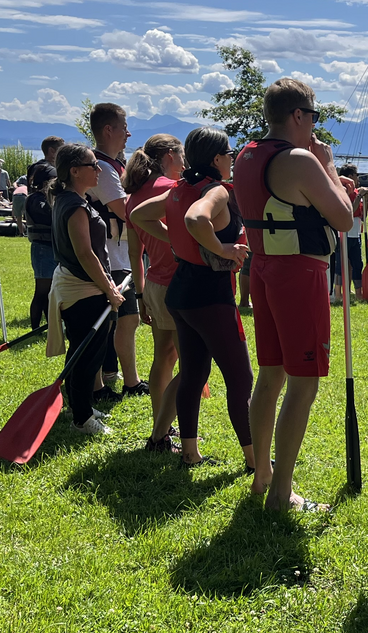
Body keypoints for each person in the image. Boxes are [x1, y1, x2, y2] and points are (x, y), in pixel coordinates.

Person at [235, 78, 354, 511]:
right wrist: (329, 166)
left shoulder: (245, 156)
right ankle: (282, 493)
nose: (315, 130)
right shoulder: (301, 159)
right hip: (298, 274)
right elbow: (343, 218)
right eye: (313, 118)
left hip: (264, 269)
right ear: (298, 116)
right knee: (303, 384)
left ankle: (263, 473)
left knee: (269, 376)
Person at [133, 128, 255, 469]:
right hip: (210, 296)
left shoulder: (180, 187)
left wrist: (176, 241)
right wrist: (221, 247)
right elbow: (195, 218)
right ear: (217, 159)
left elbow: (139, 214)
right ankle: (254, 459)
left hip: (182, 292)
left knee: (193, 373)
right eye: (230, 153)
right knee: (240, 379)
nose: (233, 158)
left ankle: (190, 451)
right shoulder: (215, 190)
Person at [45, 143, 125, 434]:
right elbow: (85, 253)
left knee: (83, 354)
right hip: (83, 289)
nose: (99, 169)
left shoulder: (71, 199)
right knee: (86, 357)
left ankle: (81, 406)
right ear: (75, 171)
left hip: (80, 286)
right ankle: (81, 418)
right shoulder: (75, 205)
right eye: (93, 165)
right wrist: (110, 289)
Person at [123, 133, 185, 452]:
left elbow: (136, 254)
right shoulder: (171, 190)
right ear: (169, 156)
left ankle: (162, 428)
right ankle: (169, 433)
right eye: (182, 156)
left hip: (155, 286)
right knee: (188, 363)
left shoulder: (133, 196)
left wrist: (140, 294)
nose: (185, 163)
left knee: (164, 359)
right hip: (180, 283)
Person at [86, 102, 147, 398]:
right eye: (124, 127)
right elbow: (125, 210)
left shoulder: (114, 165)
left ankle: (129, 380)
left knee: (127, 319)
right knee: (107, 322)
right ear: (108, 130)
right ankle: (97, 384)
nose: (128, 133)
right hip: (107, 255)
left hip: (121, 253)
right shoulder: (103, 169)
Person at [25, 136, 63, 330]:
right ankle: (36, 328)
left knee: (48, 290)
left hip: (49, 245)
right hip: (43, 246)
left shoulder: (36, 170)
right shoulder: (38, 200)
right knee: (42, 290)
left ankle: (47, 326)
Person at [332, 163, 363, 302]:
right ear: (350, 176)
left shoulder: (356, 192)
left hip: (355, 233)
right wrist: (358, 197)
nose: (358, 178)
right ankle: (338, 293)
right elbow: (350, 209)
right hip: (344, 234)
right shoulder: (344, 191)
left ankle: (358, 293)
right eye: (356, 175)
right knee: (341, 264)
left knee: (357, 264)